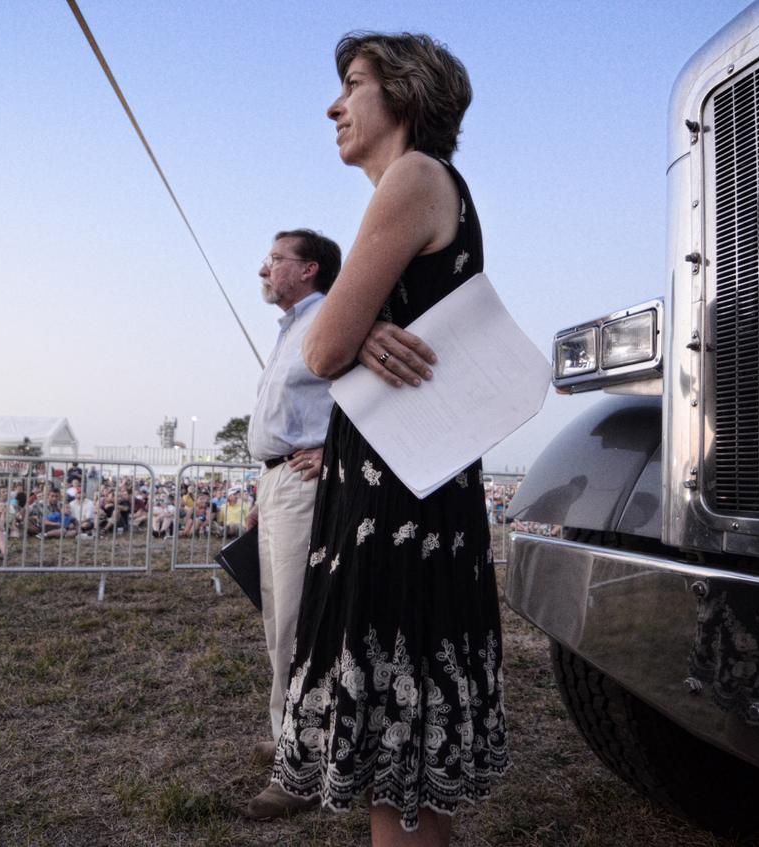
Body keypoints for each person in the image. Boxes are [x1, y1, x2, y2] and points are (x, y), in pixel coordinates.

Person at [252, 33, 508, 843]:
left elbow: (321, 349)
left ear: (401, 94)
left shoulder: (412, 176)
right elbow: (348, 336)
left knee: (394, 729)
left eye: (352, 83)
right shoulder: (436, 187)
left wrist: (350, 331)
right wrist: (361, 329)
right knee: (402, 754)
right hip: (411, 469)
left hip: (395, 487)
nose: (334, 104)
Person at [239, 227, 342, 814]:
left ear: (308, 270)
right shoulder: (291, 331)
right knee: (278, 616)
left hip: (309, 486)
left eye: (276, 259)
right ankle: (289, 740)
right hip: (280, 482)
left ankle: (304, 762)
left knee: (299, 623)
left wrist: (337, 452)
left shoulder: (333, 319)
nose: (264, 269)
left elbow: (373, 393)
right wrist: (266, 484)